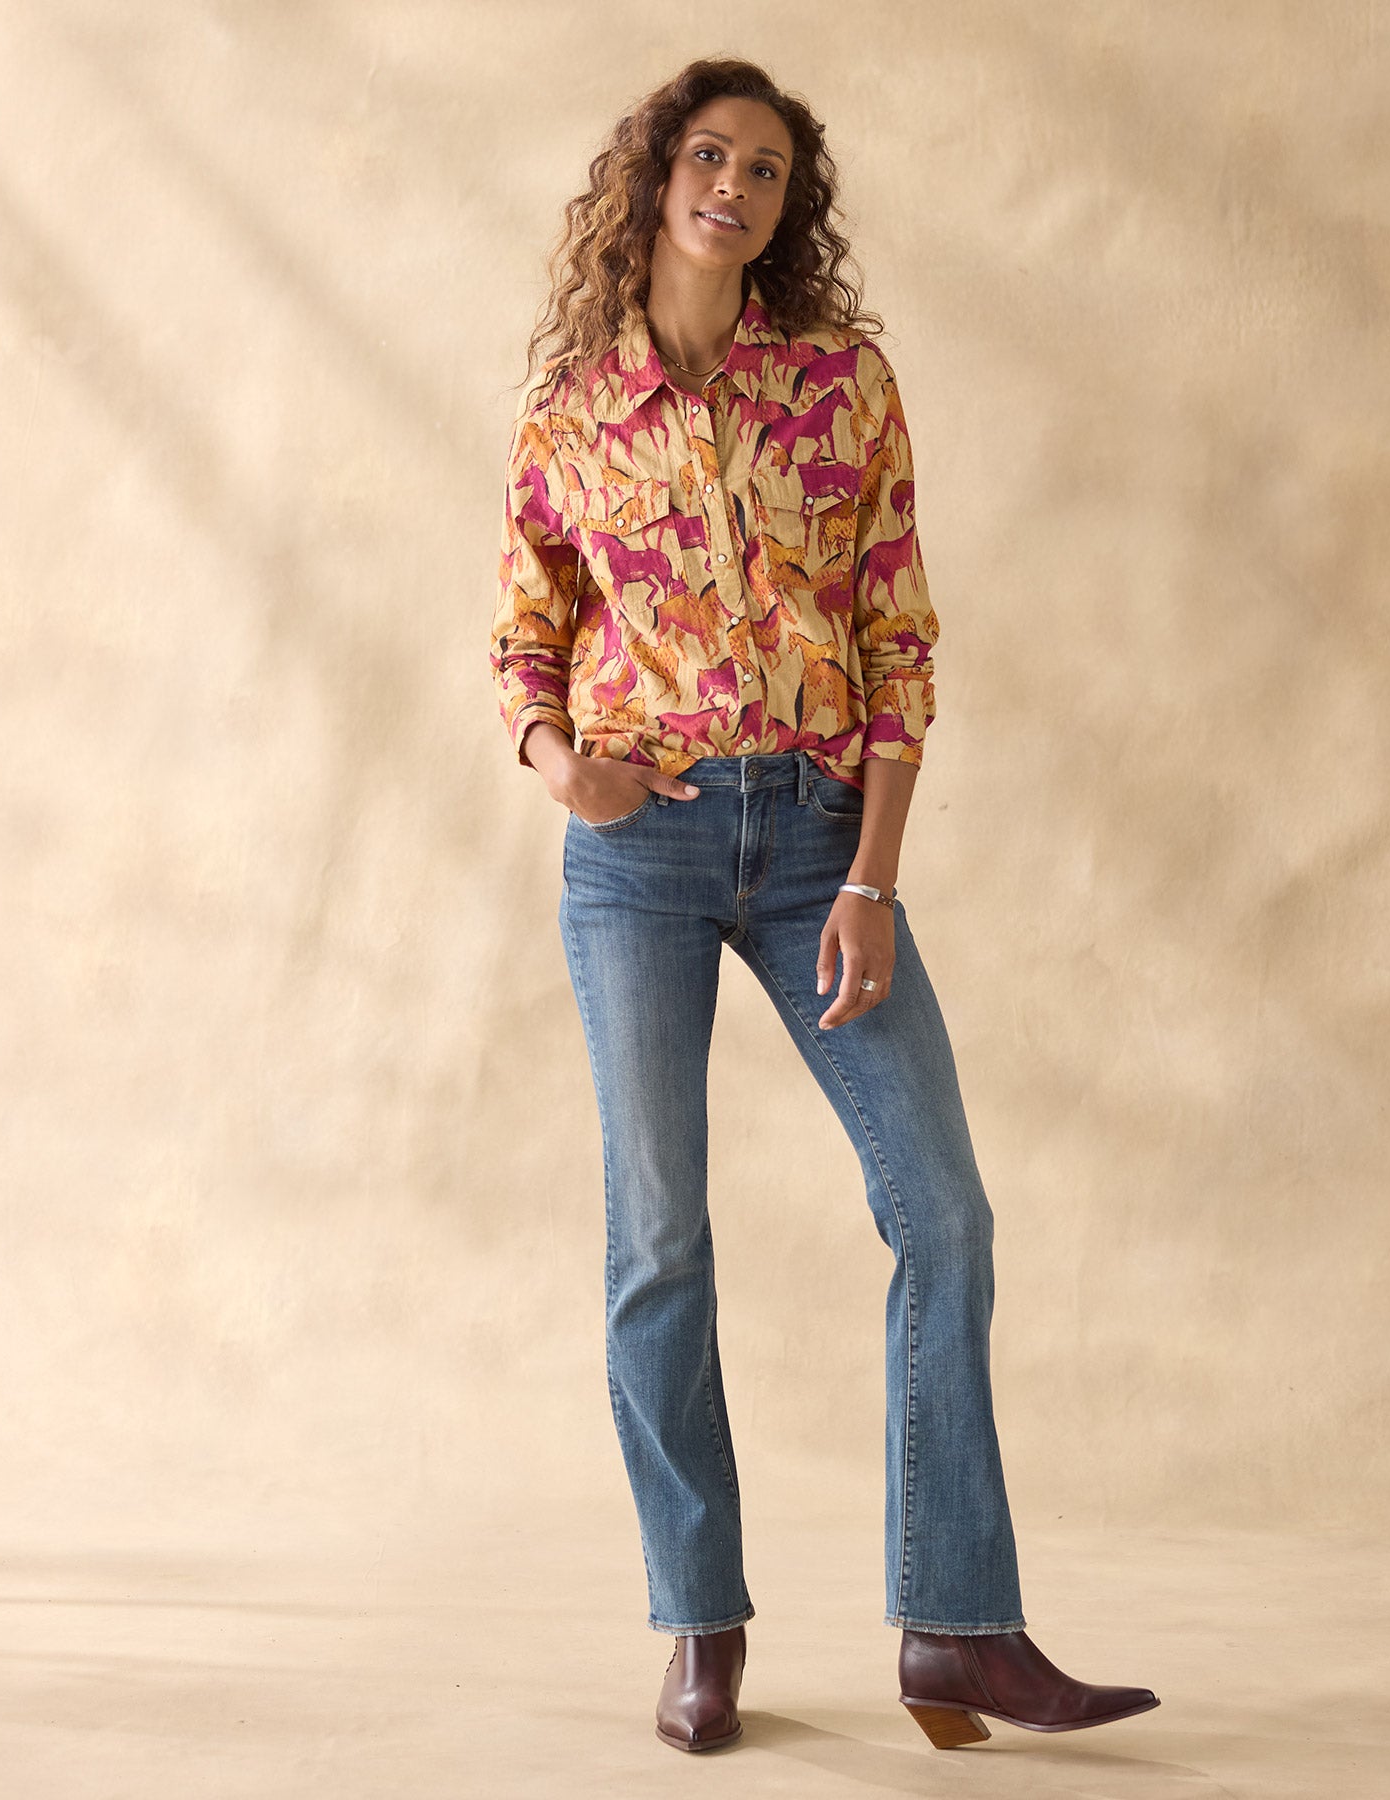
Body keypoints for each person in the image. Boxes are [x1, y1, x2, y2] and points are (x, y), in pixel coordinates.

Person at [490, 56, 1160, 1755]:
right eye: (710, 157)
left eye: (767, 170)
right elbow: (525, 629)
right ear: (655, 178)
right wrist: (561, 763)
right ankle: (698, 1626)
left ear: (789, 208)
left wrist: (871, 872)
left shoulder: (842, 385)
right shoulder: (571, 409)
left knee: (944, 1214)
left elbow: (897, 635)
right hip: (637, 856)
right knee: (659, 1241)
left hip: (813, 841)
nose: (734, 187)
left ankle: (957, 1627)